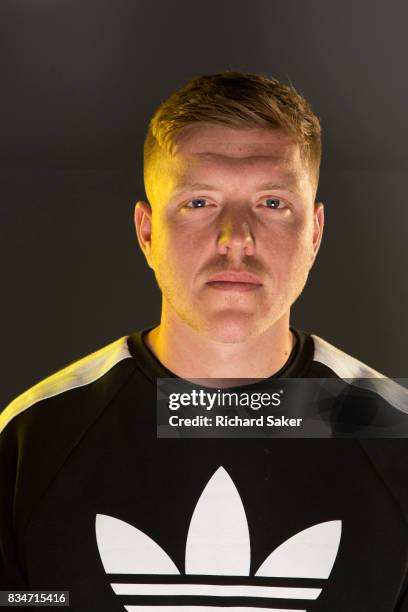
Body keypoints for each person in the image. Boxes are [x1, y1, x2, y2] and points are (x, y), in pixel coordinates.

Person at [0, 72, 407, 611]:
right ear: (147, 231)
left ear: (314, 231)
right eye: (198, 203)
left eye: (271, 203)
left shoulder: (390, 430)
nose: (235, 239)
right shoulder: (38, 433)